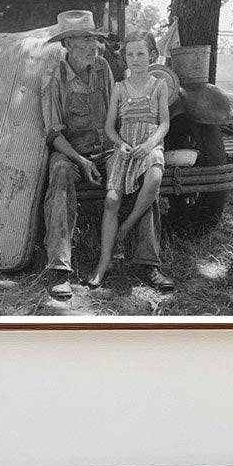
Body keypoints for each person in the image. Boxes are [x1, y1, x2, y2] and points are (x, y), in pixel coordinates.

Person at [41, 11, 175, 299]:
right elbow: (53, 133)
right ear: (68, 45)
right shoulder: (54, 78)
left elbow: (117, 117)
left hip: (108, 150)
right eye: (86, 40)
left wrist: (133, 145)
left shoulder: (103, 68)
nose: (94, 46)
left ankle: (147, 263)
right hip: (71, 154)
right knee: (60, 174)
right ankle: (59, 270)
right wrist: (80, 160)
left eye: (95, 40)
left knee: (142, 172)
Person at [88, 35, 170, 288]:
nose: (136, 60)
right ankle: (104, 263)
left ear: (152, 56)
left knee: (155, 176)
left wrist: (149, 145)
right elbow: (110, 127)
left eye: (141, 54)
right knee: (112, 200)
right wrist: (120, 144)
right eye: (131, 55)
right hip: (125, 147)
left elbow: (164, 122)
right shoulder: (119, 88)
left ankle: (127, 226)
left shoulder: (159, 85)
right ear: (125, 58)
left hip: (150, 145)